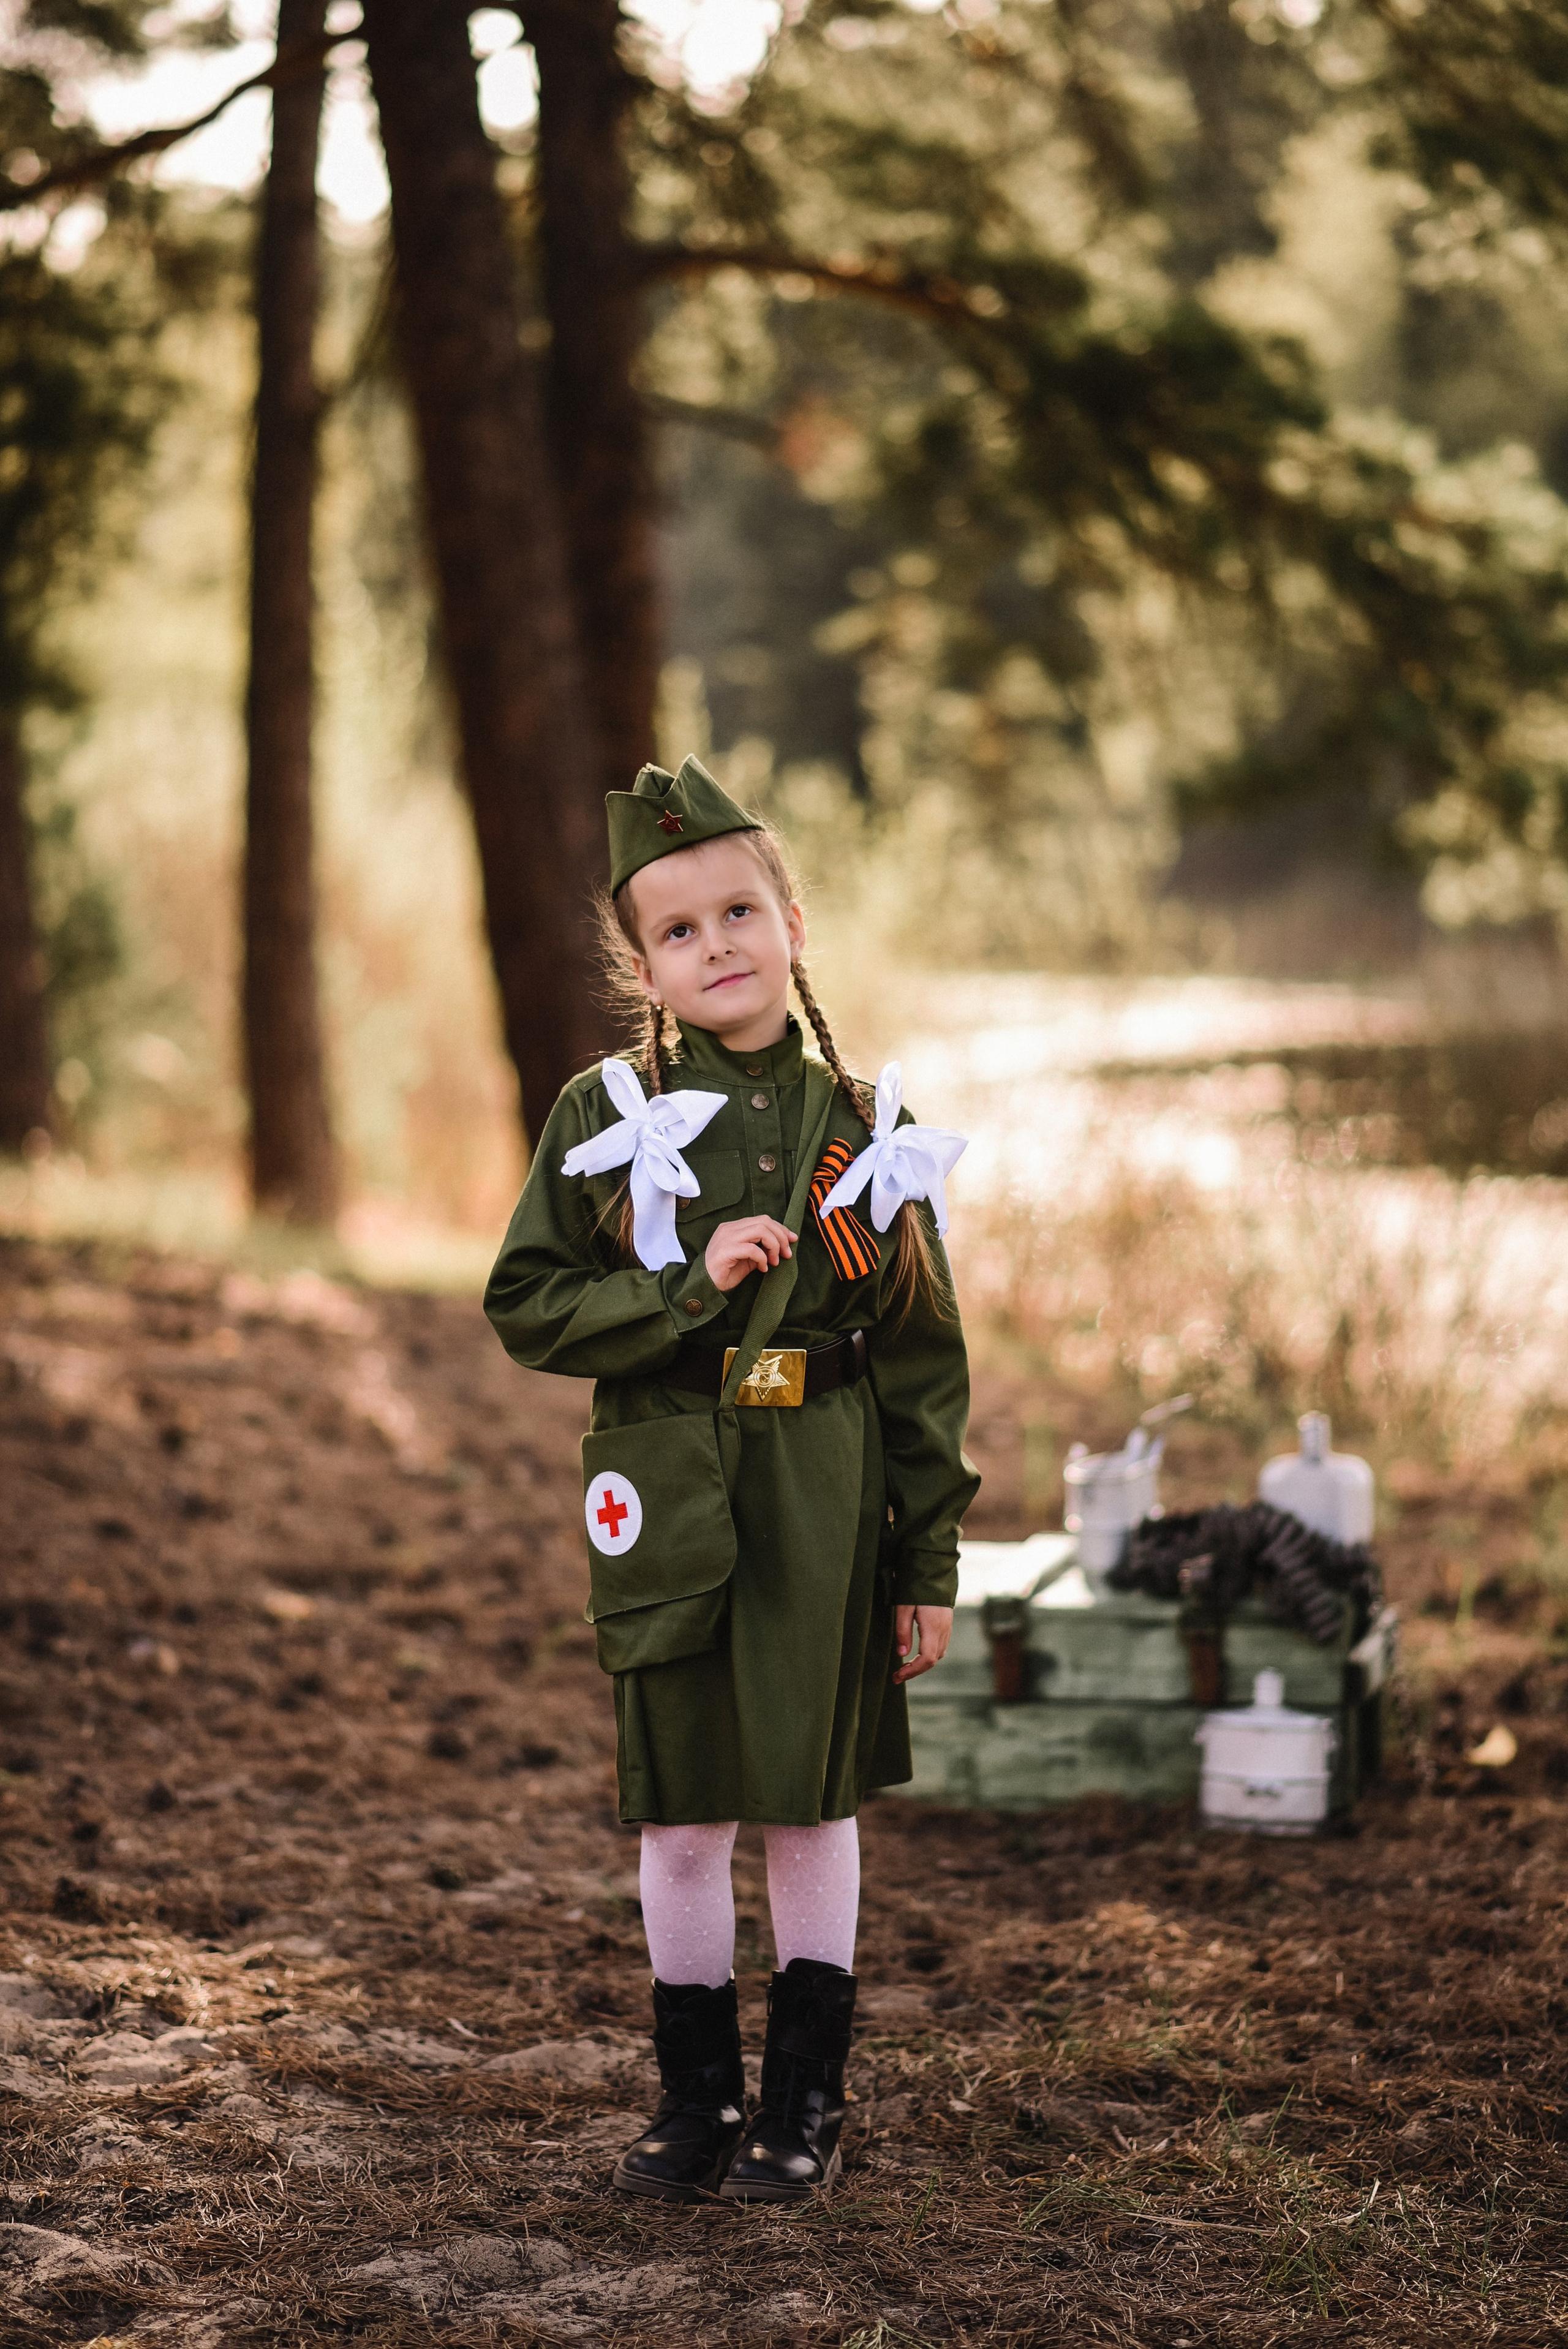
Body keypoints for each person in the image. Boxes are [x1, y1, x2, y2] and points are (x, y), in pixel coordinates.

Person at [484, 754, 980, 2205]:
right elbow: (526, 1302)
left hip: (824, 1490)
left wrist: (927, 1557)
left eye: (738, 912)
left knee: (808, 1800)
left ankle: (803, 2105)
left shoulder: (868, 1130)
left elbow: (921, 1360)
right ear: (641, 963)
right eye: (680, 931)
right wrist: (684, 1296)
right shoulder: (600, 1113)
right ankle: (695, 2102)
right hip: (669, 1473)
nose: (717, 947)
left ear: (793, 919)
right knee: (686, 1807)